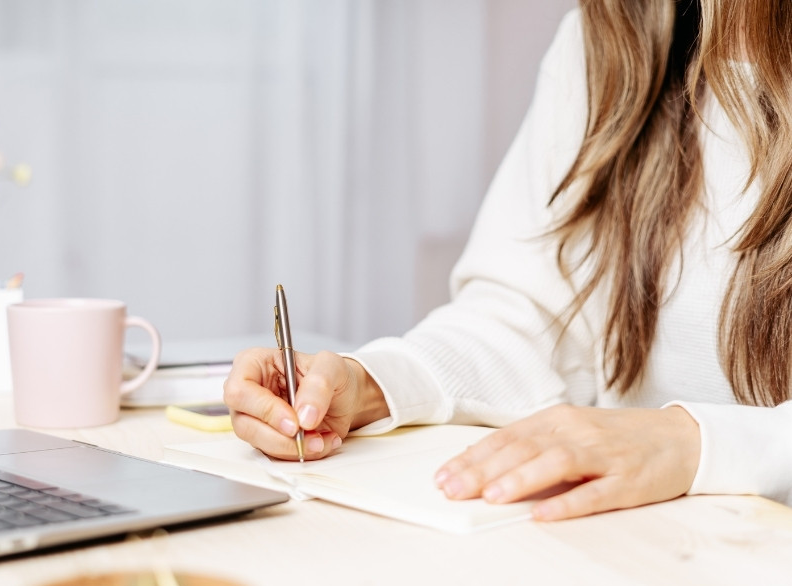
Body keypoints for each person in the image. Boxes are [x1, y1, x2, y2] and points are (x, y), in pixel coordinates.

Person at [224, 0, 792, 521]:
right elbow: (527, 319)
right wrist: (373, 384)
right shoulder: (608, 41)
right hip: (643, 547)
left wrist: (693, 442)